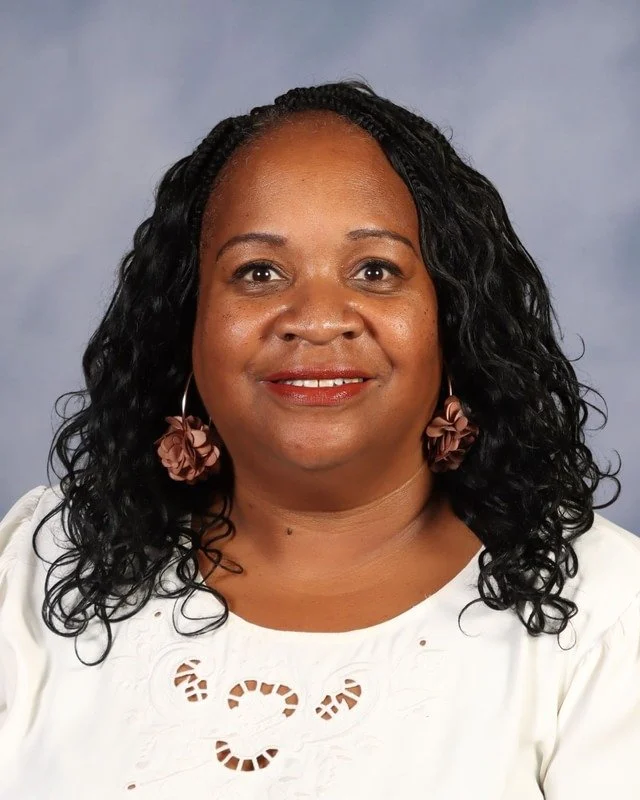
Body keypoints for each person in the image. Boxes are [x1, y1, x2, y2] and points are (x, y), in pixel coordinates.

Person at [0, 79, 638, 799]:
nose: (316, 318)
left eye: (375, 270)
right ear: (188, 322)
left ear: (452, 318)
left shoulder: (611, 614)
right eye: (258, 272)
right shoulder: (34, 570)